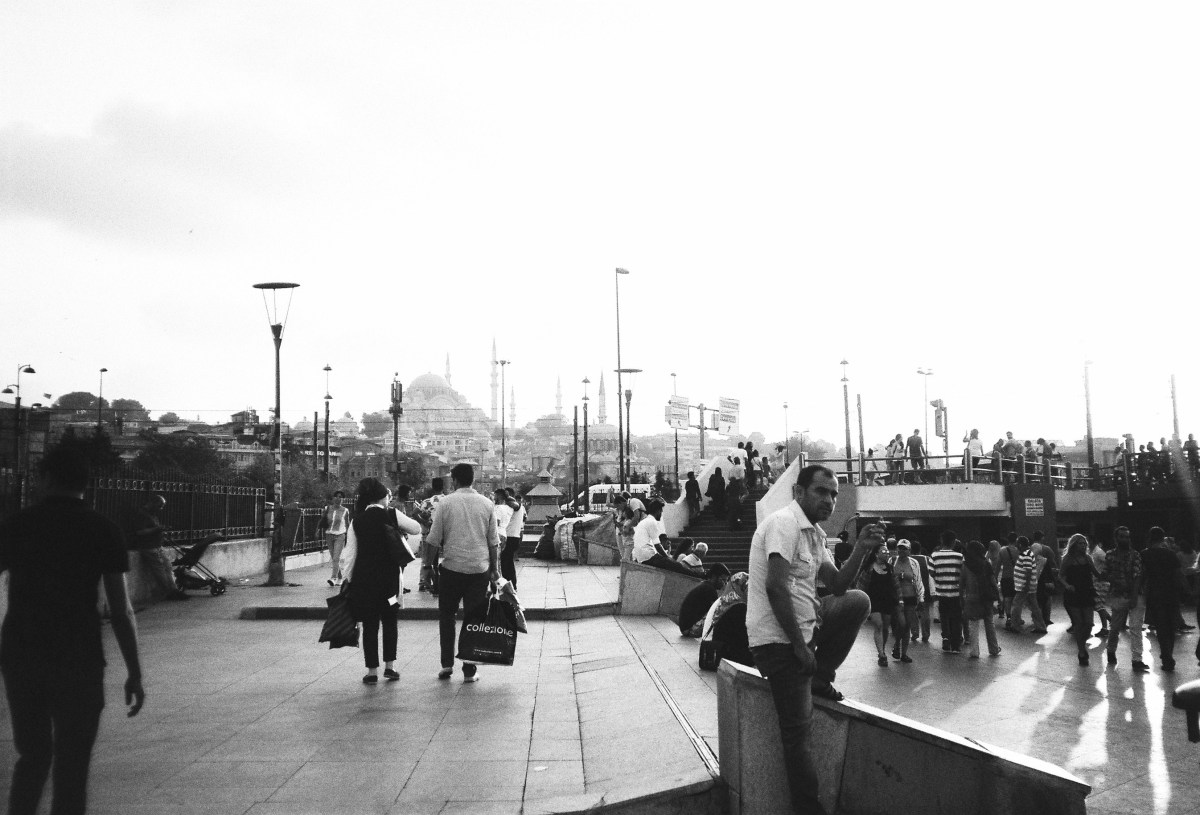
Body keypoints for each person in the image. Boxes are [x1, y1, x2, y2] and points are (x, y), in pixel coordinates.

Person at [0, 445, 145, 815]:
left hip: (23, 656)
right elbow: (121, 611)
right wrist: (134, 672)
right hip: (79, 659)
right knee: (73, 765)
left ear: (48, 478)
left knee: (32, 756)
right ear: (85, 483)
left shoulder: (18, 525)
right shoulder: (104, 529)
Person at [746, 464, 873, 815]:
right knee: (798, 735)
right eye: (821, 491)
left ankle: (820, 676)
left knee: (858, 602)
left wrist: (862, 548)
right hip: (778, 643)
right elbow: (775, 587)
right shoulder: (784, 523)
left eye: (834, 494)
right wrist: (799, 648)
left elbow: (838, 586)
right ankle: (808, 808)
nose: (829, 500)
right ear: (799, 492)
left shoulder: (814, 534)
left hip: (805, 630)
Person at [423, 463, 500, 683]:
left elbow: (433, 540)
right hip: (479, 569)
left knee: (447, 616)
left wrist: (427, 567)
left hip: (451, 569)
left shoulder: (446, 503)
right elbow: (493, 542)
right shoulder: (487, 503)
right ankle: (469, 669)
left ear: (455, 480)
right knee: (473, 618)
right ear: (472, 480)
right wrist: (494, 571)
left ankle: (447, 665)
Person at [341, 478, 422, 684]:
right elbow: (416, 529)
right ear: (382, 497)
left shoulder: (357, 521)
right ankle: (390, 667)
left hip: (365, 582)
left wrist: (347, 580)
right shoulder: (391, 514)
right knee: (389, 621)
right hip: (389, 583)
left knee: (370, 625)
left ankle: (371, 672)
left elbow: (349, 555)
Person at [126, 493, 189, 601]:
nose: (161, 509)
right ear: (152, 503)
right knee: (160, 569)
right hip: (148, 546)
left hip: (157, 545)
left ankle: (173, 590)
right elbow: (140, 532)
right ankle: (170, 592)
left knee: (167, 567)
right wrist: (157, 529)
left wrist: (160, 529)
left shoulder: (152, 514)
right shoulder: (142, 514)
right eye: (159, 506)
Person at [1141, 526, 1185, 672]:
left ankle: (1165, 655)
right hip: (1171, 593)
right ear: (1162, 538)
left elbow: (1142, 575)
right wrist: (1187, 592)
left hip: (1154, 594)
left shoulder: (1145, 554)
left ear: (1149, 537)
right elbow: (1179, 574)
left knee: (1161, 627)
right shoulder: (1171, 554)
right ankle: (1168, 654)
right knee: (1171, 626)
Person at [1104, 526, 1147, 672]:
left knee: (1135, 627)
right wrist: (1113, 580)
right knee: (1115, 627)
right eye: (1122, 536)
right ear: (1116, 538)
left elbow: (1138, 576)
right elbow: (1106, 572)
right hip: (1118, 594)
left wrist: (1134, 596)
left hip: (1135, 594)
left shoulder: (1135, 555)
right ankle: (1111, 650)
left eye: (1127, 536)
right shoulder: (1110, 555)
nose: (1125, 539)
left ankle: (1137, 659)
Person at [1058, 534, 1099, 666]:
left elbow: (1096, 573)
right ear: (1074, 544)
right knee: (1079, 623)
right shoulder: (1068, 559)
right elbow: (1060, 576)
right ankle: (1081, 651)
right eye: (1080, 543)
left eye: (1084, 543)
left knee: (1089, 624)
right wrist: (1067, 585)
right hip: (1073, 594)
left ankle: (1082, 645)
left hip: (1087, 592)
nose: (1083, 546)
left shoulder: (1088, 558)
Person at [857, 541, 899, 667]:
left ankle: (882, 649)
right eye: (883, 551)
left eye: (887, 552)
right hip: (873, 601)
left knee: (885, 627)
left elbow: (896, 585)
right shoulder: (869, 569)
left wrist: (900, 599)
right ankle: (881, 654)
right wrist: (860, 602)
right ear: (876, 554)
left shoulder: (890, 568)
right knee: (879, 624)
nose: (886, 554)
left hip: (887, 601)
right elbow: (861, 586)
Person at [701, 571, 754, 668]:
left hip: (716, 648)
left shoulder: (726, 600)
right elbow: (744, 638)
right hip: (724, 656)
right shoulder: (739, 607)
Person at [961, 540, 1001, 659]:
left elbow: (961, 584)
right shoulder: (986, 563)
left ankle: (974, 651)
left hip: (971, 598)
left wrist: (961, 599)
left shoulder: (965, 565)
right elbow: (993, 582)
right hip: (986, 598)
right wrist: (998, 596)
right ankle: (994, 649)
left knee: (973, 624)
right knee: (989, 622)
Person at [632, 501, 693, 574]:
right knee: (677, 566)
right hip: (649, 557)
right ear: (658, 511)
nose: (661, 515)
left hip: (641, 557)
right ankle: (700, 576)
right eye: (661, 512)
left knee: (672, 565)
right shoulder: (652, 522)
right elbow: (657, 545)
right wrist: (668, 558)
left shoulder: (643, 522)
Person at [930, 530, 964, 652]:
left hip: (941, 592)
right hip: (956, 593)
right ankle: (956, 645)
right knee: (956, 618)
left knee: (944, 616)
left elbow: (931, 573)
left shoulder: (934, 556)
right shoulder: (959, 556)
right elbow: (963, 574)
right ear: (954, 542)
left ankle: (946, 639)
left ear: (941, 541)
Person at [677, 564, 731, 637]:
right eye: (723, 580)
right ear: (714, 577)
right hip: (691, 629)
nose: (725, 584)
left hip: (686, 627)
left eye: (726, 581)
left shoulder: (705, 586)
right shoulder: (709, 589)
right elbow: (716, 612)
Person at [892, 539, 923, 662]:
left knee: (908, 625)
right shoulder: (892, 561)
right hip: (897, 597)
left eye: (904, 548)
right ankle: (896, 645)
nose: (901, 550)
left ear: (909, 551)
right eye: (900, 548)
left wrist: (921, 598)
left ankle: (903, 653)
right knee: (902, 623)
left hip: (910, 596)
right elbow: (889, 578)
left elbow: (918, 580)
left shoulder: (914, 563)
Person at [416, 477, 447, 594]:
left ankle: (430, 584)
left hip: (431, 533)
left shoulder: (427, 501)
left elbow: (414, 513)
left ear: (433, 487)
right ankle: (443, 584)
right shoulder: (448, 500)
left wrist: (425, 522)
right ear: (443, 486)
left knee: (431, 561)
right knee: (447, 559)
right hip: (446, 534)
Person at [319, 490, 350, 587]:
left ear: (343, 499)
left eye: (341, 497)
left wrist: (349, 536)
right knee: (334, 558)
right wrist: (317, 531)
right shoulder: (327, 508)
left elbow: (347, 524)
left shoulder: (345, 510)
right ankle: (340, 577)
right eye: (336, 496)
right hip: (329, 535)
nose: (338, 498)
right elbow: (321, 520)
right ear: (333, 498)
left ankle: (333, 578)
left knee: (336, 557)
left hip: (340, 535)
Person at [501, 488, 526, 590]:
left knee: (507, 563)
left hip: (511, 537)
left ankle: (511, 585)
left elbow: (514, 504)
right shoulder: (511, 508)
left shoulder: (517, 506)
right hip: (512, 537)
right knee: (506, 562)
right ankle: (510, 584)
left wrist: (504, 498)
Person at [909, 540, 934, 642]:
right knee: (925, 612)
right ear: (920, 549)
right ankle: (926, 634)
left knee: (912, 611)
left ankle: (915, 632)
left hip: (911, 589)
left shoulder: (907, 559)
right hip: (925, 589)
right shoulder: (926, 559)